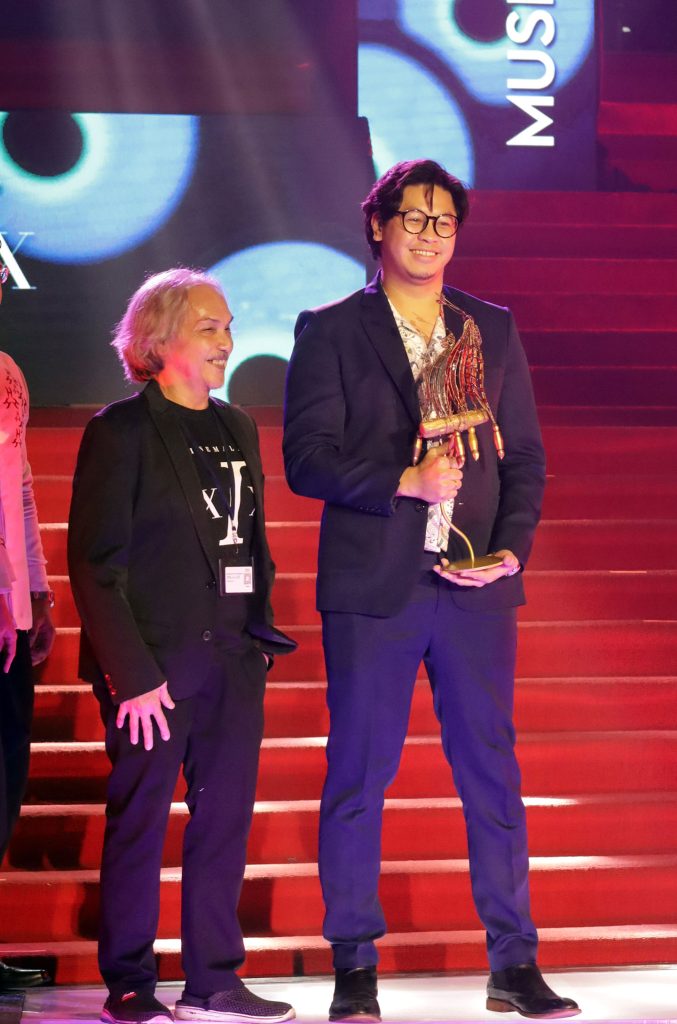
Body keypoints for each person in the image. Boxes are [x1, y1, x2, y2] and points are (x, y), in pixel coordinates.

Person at [283, 160, 580, 1021]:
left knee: (491, 774)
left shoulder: (488, 328)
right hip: (374, 586)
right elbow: (306, 459)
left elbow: (524, 458)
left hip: (474, 587)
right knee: (358, 776)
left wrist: (510, 552)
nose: (428, 235)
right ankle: (354, 967)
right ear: (378, 225)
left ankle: (513, 962)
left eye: (443, 221)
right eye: (412, 218)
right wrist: (402, 480)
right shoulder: (332, 329)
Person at [67, 269, 297, 1024]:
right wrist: (131, 675)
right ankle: (130, 981)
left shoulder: (238, 427)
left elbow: (249, 542)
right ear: (159, 338)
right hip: (154, 673)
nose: (226, 341)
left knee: (224, 821)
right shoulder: (121, 431)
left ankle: (213, 979)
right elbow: (95, 565)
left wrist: (258, 636)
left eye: (228, 326)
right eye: (208, 328)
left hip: (233, 661)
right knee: (140, 823)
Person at [0, 259, 55, 992]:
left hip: (11, 619)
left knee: (8, 776)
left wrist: (37, 591)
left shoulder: (8, 372)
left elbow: (20, 487)